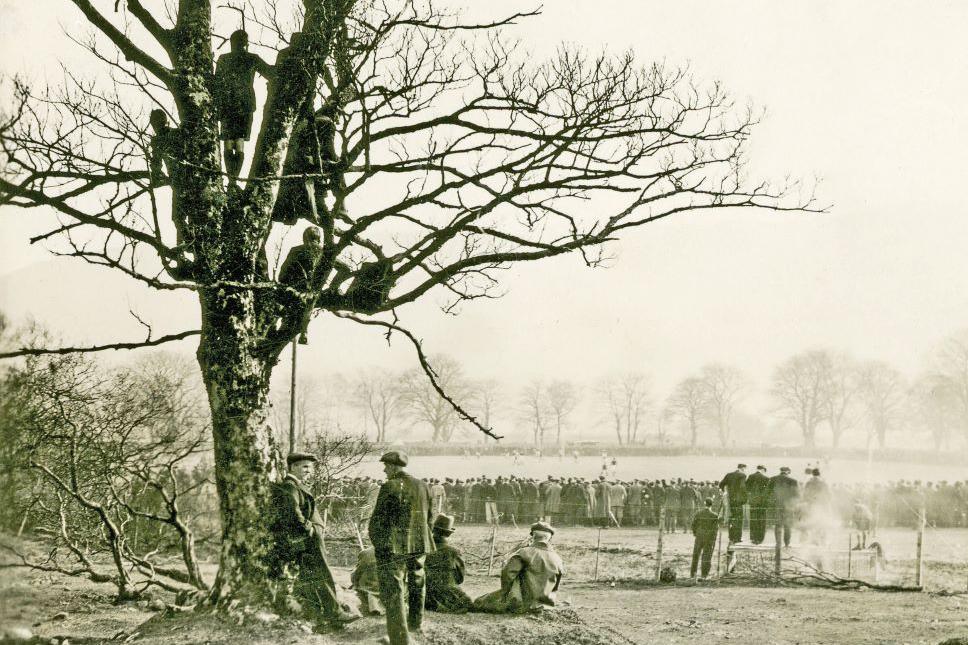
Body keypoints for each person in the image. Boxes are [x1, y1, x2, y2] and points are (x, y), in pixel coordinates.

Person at [268, 452, 359, 631]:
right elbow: (293, 514)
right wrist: (309, 528)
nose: (309, 471)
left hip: (308, 540)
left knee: (314, 578)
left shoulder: (296, 486)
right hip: (308, 541)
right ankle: (334, 613)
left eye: (310, 467)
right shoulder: (290, 487)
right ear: (293, 467)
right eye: (305, 467)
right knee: (322, 575)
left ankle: (327, 616)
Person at [368, 450, 435, 645]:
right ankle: (416, 624)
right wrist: (422, 539)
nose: (384, 470)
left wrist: (379, 544)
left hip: (394, 547)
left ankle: (399, 638)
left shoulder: (389, 487)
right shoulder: (424, 486)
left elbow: (377, 521)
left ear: (393, 467)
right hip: (420, 544)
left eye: (386, 466)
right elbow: (430, 519)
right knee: (417, 581)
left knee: (394, 589)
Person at [213, 29, 272, 183]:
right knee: (239, 141)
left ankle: (231, 179)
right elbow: (271, 72)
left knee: (228, 141)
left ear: (232, 43)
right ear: (246, 44)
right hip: (244, 104)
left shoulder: (223, 59)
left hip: (227, 105)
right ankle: (233, 180)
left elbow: (216, 83)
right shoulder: (252, 58)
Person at [472, 521, 564, 613]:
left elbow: (507, 574)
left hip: (521, 604)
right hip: (546, 605)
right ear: (549, 538)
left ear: (533, 536)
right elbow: (556, 586)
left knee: (479, 601)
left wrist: (504, 594)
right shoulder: (558, 559)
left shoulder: (524, 552)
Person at [276, 226, 323, 344]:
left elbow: (283, 272)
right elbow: (344, 268)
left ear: (304, 238)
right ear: (319, 238)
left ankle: (288, 332)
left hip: (296, 290)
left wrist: (283, 283)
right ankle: (303, 332)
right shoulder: (324, 253)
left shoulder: (296, 250)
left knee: (288, 316)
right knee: (304, 309)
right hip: (313, 291)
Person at [424, 514, 472, 613]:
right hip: (449, 591)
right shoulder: (453, 552)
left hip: (426, 592)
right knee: (466, 602)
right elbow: (460, 578)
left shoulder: (424, 549)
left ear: (433, 530)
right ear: (449, 534)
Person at [768, 466, 799, 547]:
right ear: (788, 472)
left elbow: (768, 493)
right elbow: (796, 495)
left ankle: (778, 543)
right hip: (788, 506)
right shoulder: (793, 481)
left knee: (778, 525)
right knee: (787, 525)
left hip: (776, 505)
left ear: (781, 471)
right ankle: (787, 543)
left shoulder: (772, 479)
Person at [690, 498, 719, 580]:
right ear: (711, 505)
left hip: (699, 536)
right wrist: (713, 539)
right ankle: (704, 575)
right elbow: (715, 530)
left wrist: (696, 534)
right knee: (706, 556)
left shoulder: (698, 513)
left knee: (696, 555)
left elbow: (693, 525)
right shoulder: (715, 516)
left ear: (704, 503)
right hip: (709, 538)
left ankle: (693, 574)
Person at [719, 463, 748, 544]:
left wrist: (725, 493)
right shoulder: (742, 476)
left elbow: (721, 484)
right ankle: (737, 538)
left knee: (731, 518)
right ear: (742, 468)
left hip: (730, 501)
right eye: (745, 469)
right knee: (738, 519)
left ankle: (731, 537)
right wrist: (745, 499)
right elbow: (743, 488)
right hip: (738, 502)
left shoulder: (729, 475)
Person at [350, 547, 384, 615]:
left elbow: (357, 573)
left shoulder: (365, 552)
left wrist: (353, 578)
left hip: (371, 586)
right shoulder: (397, 550)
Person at [746, 465, 771, 545]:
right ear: (763, 470)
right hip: (762, 503)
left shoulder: (750, 476)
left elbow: (746, 489)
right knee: (761, 520)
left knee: (753, 519)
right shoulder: (766, 478)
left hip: (753, 502)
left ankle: (753, 538)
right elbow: (768, 492)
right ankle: (760, 538)